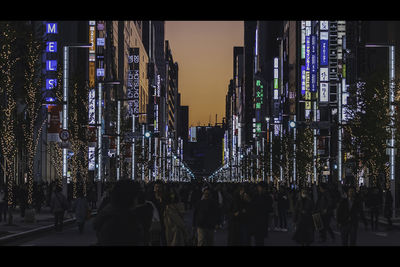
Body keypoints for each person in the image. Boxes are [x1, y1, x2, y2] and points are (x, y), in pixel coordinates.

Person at [93, 180, 144, 245]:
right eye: (136, 196)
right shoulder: (125, 221)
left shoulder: (108, 212)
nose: (137, 200)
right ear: (130, 198)